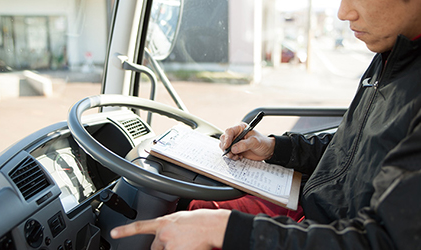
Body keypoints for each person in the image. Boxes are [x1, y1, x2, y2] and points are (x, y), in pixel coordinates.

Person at [111, 0, 421, 248]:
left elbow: (385, 240)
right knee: (194, 209)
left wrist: (229, 233)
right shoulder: (393, 55)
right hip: (318, 212)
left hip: (334, 231)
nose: (343, 12)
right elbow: (354, 146)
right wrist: (274, 147)